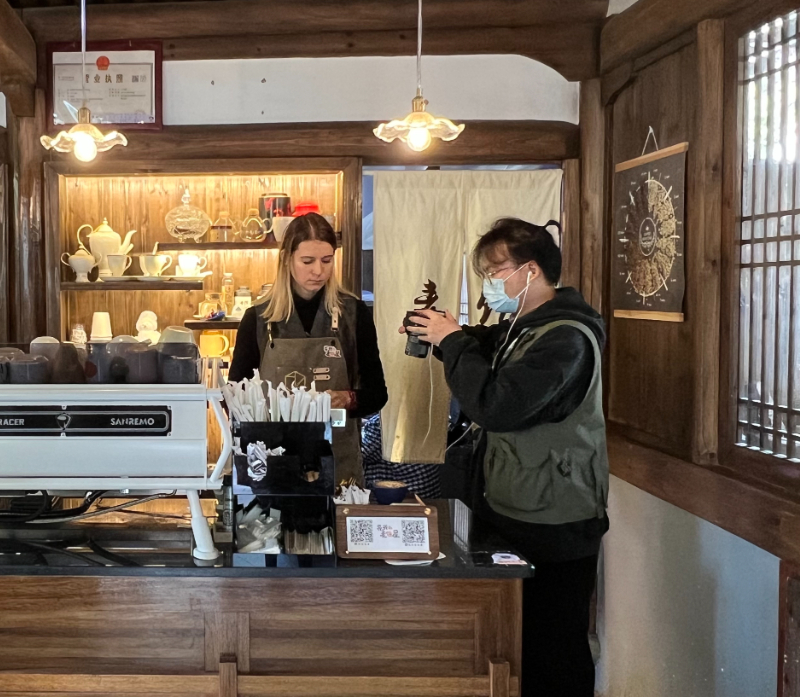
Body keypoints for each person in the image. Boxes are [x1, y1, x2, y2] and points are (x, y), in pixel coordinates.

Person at [404, 218, 608, 697]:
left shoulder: (567, 338)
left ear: (531, 271)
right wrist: (442, 336)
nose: (489, 283)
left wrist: (452, 340)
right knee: (517, 639)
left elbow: (497, 404)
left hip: (555, 517)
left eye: (496, 272)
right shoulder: (522, 326)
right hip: (517, 503)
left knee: (554, 645)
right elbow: (482, 348)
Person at [229, 213, 387, 484]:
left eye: (326, 261)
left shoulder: (353, 314)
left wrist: (345, 398)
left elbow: (377, 394)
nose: (318, 271)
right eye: (307, 261)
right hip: (272, 459)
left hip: (337, 458)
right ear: (286, 259)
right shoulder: (258, 319)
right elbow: (234, 396)